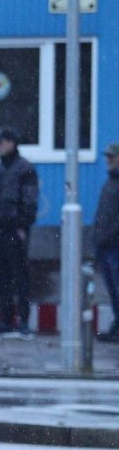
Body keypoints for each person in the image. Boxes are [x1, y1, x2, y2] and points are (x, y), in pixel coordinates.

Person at [0, 127, 38, 339]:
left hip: (14, 229)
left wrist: (22, 226)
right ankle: (5, 321)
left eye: (0, 143)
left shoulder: (25, 169)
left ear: (11, 143)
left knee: (19, 275)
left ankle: (23, 322)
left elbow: (30, 201)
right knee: (0, 276)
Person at [94, 142, 119, 343]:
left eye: (112, 156)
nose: (108, 160)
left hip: (115, 245)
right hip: (105, 245)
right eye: (107, 156)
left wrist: (110, 235)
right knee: (112, 288)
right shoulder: (109, 182)